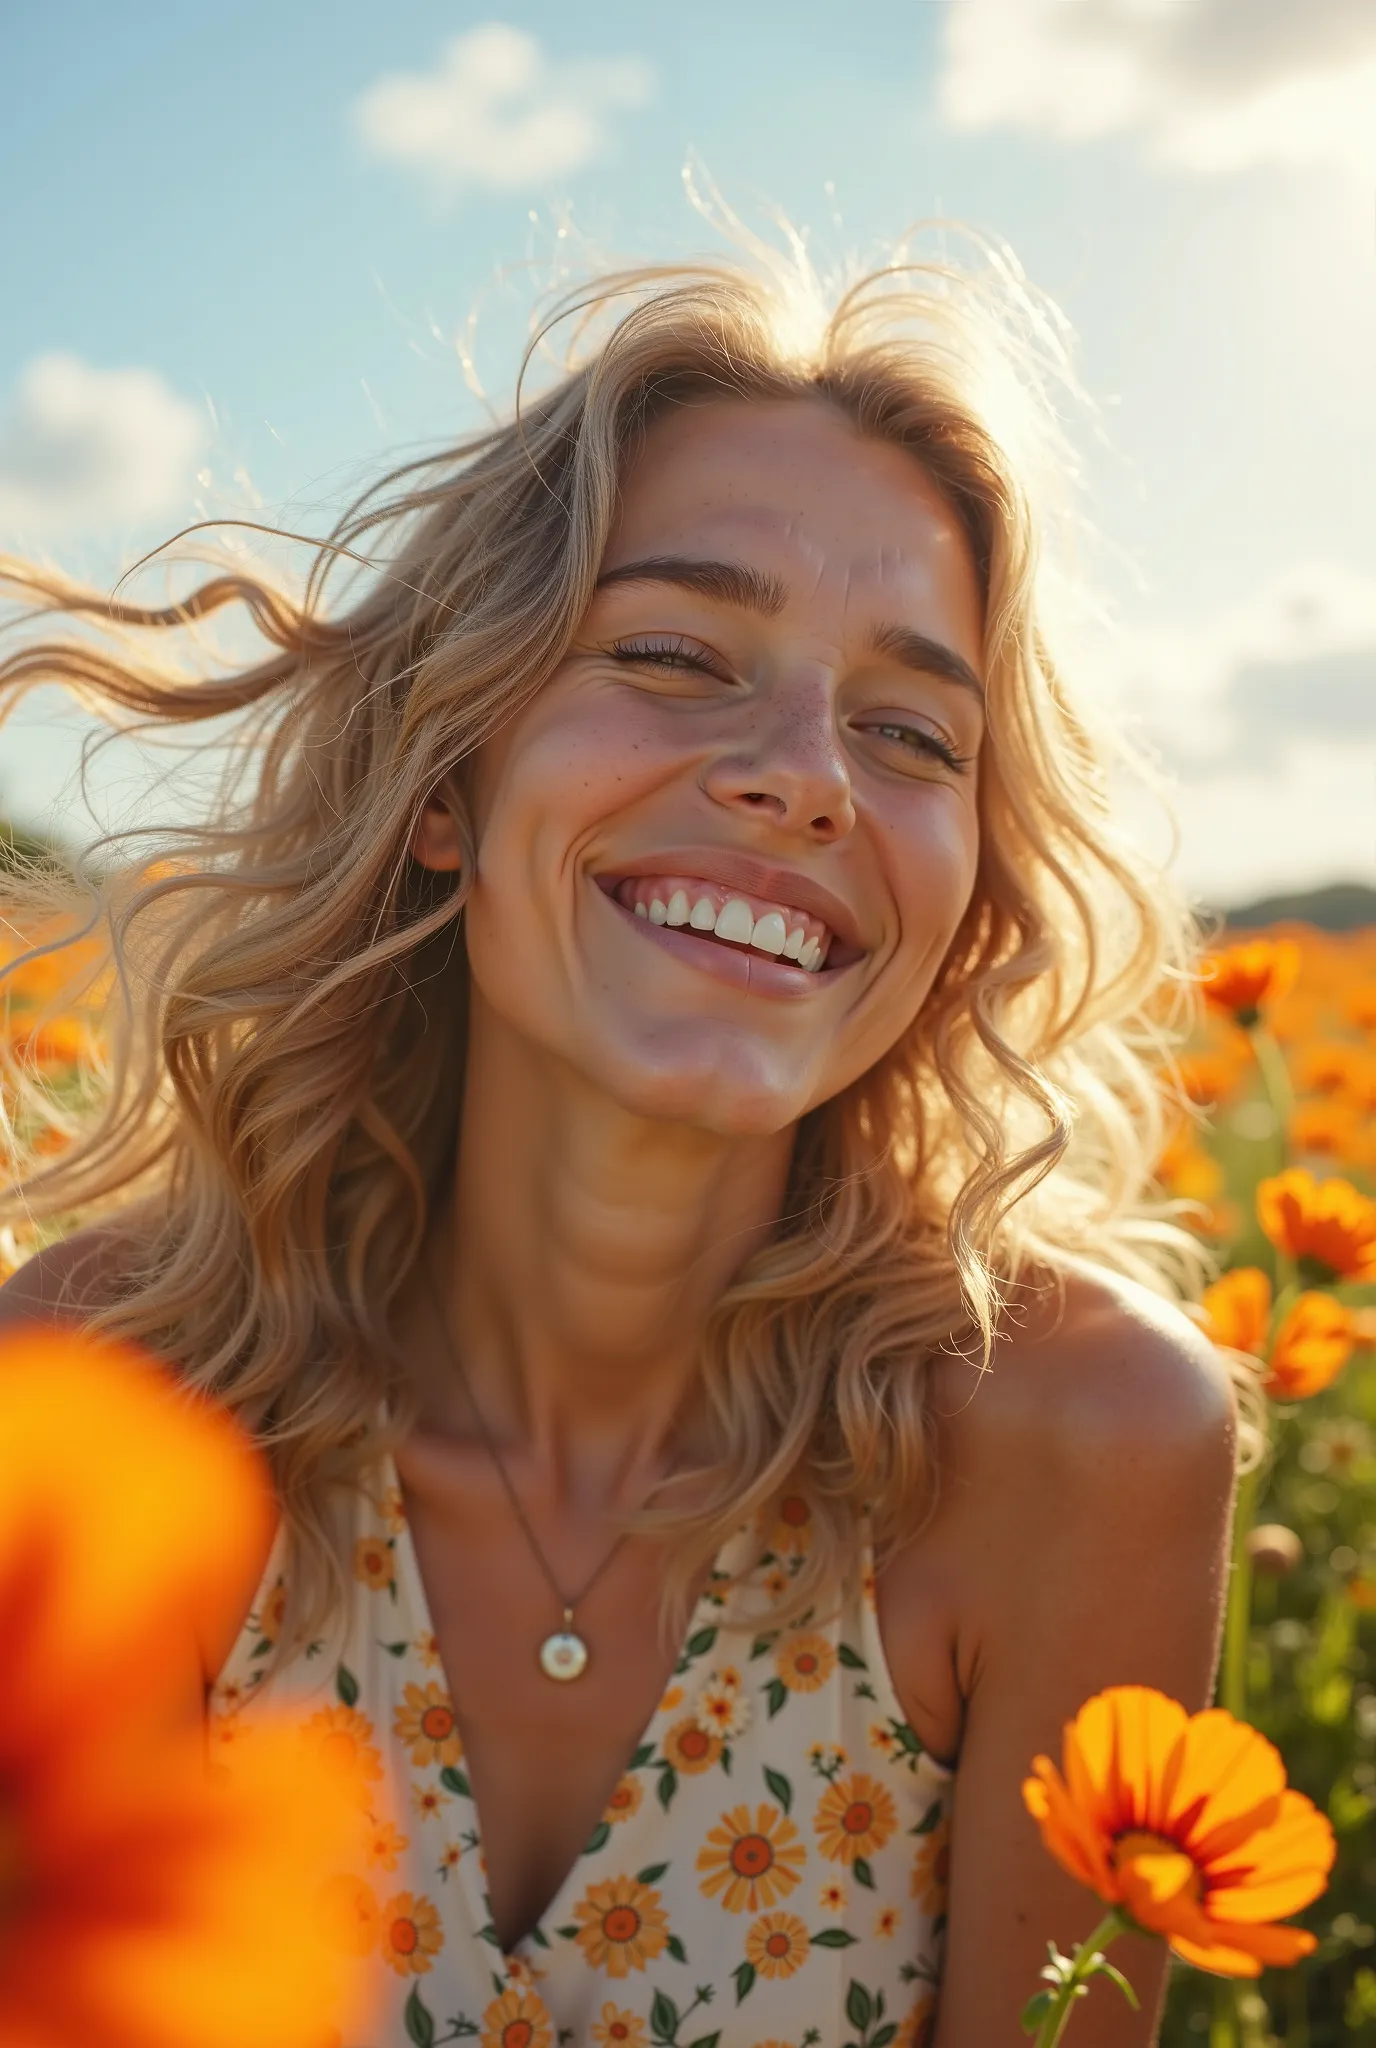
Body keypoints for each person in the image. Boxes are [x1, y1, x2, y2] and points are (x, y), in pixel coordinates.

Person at [0, 240, 1242, 2046]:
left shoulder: (1084, 1446)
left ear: (965, 903)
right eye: (672, 654)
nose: (806, 769)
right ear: (445, 785)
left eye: (910, 731)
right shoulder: (99, 1396)